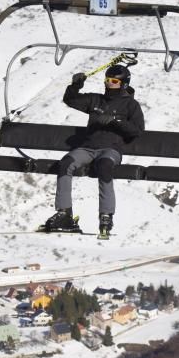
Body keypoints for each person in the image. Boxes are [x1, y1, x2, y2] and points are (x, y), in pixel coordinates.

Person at [40, 63, 145, 238]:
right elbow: (71, 100)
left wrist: (115, 121)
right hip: (88, 148)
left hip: (111, 150)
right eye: (107, 80)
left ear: (124, 84)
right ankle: (64, 214)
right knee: (66, 163)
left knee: (104, 167)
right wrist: (75, 86)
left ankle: (106, 216)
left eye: (114, 81)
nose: (109, 84)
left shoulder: (131, 106)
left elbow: (137, 131)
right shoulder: (96, 100)